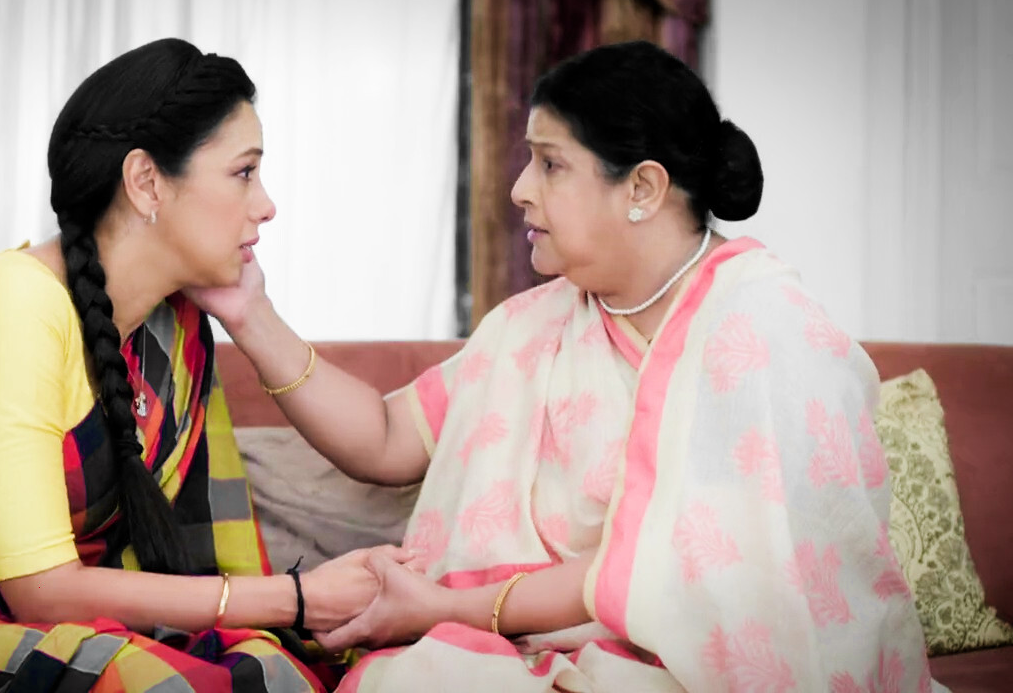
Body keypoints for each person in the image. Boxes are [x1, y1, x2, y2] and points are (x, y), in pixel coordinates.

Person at [189, 41, 942, 691]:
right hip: (531, 648)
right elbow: (386, 439)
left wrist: (438, 609)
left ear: (642, 188)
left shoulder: (761, 330)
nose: (520, 189)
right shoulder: (535, 324)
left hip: (689, 664)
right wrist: (250, 314)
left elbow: (682, 572)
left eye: (550, 164)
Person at [0, 38, 404, 692]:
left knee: (269, 670)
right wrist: (294, 597)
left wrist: (249, 313)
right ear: (146, 182)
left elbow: (209, 552)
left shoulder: (176, 326)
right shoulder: (11, 304)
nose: (265, 205)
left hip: (74, 618)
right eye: (244, 173)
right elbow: (41, 590)